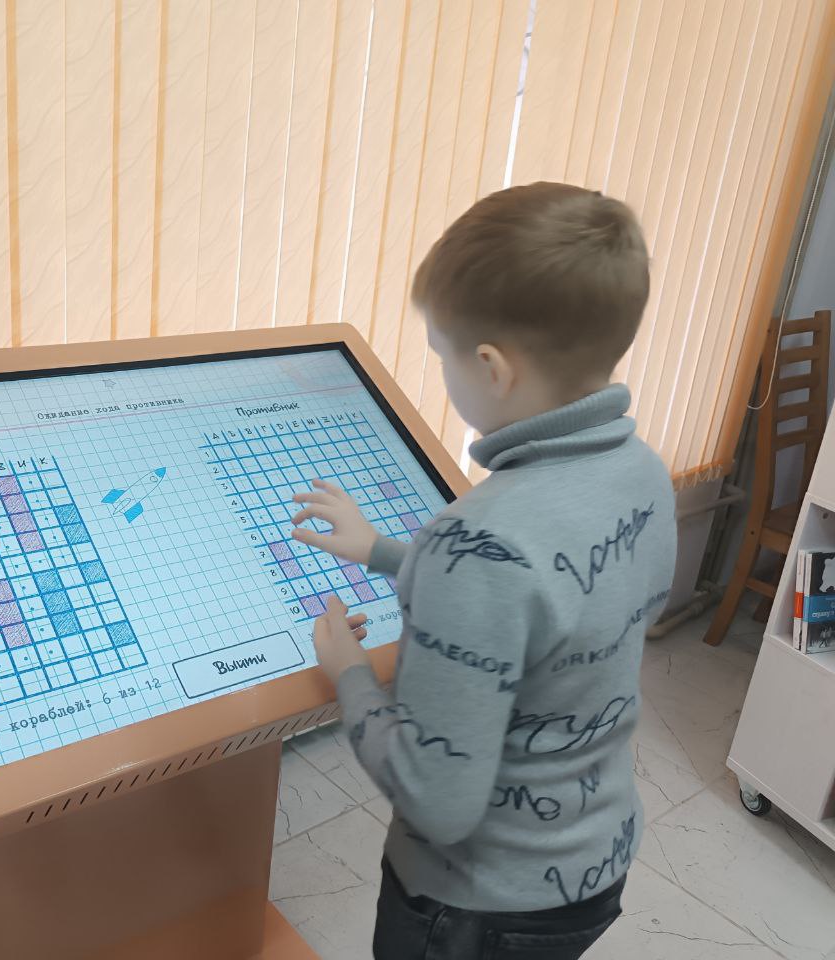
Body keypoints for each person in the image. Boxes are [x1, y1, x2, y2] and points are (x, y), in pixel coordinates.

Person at [292, 182, 676, 959]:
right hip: (591, 867)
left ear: (493, 369)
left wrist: (349, 675)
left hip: (473, 909)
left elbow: (437, 801)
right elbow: (562, 602)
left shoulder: (476, 538)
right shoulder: (640, 473)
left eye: (442, 352)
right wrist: (386, 552)